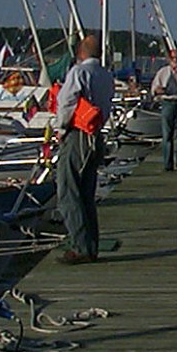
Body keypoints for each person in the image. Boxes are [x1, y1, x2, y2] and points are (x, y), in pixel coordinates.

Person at [55, 34, 114, 264]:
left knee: (68, 192)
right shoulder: (106, 76)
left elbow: (66, 101)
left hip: (78, 135)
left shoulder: (79, 73)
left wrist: (61, 128)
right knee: (87, 194)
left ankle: (80, 246)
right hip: (95, 136)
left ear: (81, 53)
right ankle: (91, 245)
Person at [151, 47, 177, 172]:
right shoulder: (163, 72)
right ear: (169, 59)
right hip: (168, 102)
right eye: (173, 58)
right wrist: (159, 90)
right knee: (167, 134)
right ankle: (167, 164)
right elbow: (154, 89)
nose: (175, 61)